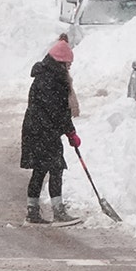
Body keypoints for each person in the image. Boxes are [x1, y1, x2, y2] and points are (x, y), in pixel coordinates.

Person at [21, 35, 82, 225]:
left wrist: (68, 131)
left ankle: (32, 212)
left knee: (40, 170)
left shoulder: (46, 76)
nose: (69, 68)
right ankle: (58, 212)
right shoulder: (52, 81)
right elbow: (58, 111)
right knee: (56, 168)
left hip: (37, 129)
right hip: (43, 131)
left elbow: (57, 111)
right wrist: (70, 132)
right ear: (61, 62)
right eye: (68, 65)